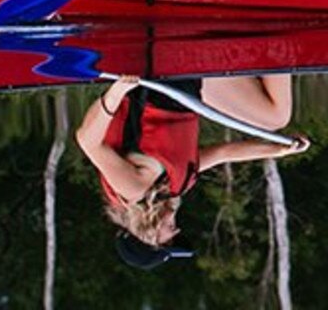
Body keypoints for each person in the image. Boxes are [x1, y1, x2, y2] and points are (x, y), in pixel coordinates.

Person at [74, 74, 310, 269]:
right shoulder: (175, 187)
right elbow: (223, 154)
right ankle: (268, 42)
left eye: (169, 239)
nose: (176, 231)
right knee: (271, 117)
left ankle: (279, 40)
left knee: (275, 115)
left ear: (149, 237)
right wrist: (279, 150)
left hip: (159, 82)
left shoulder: (132, 190)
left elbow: (87, 140)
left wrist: (115, 93)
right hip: (186, 88)